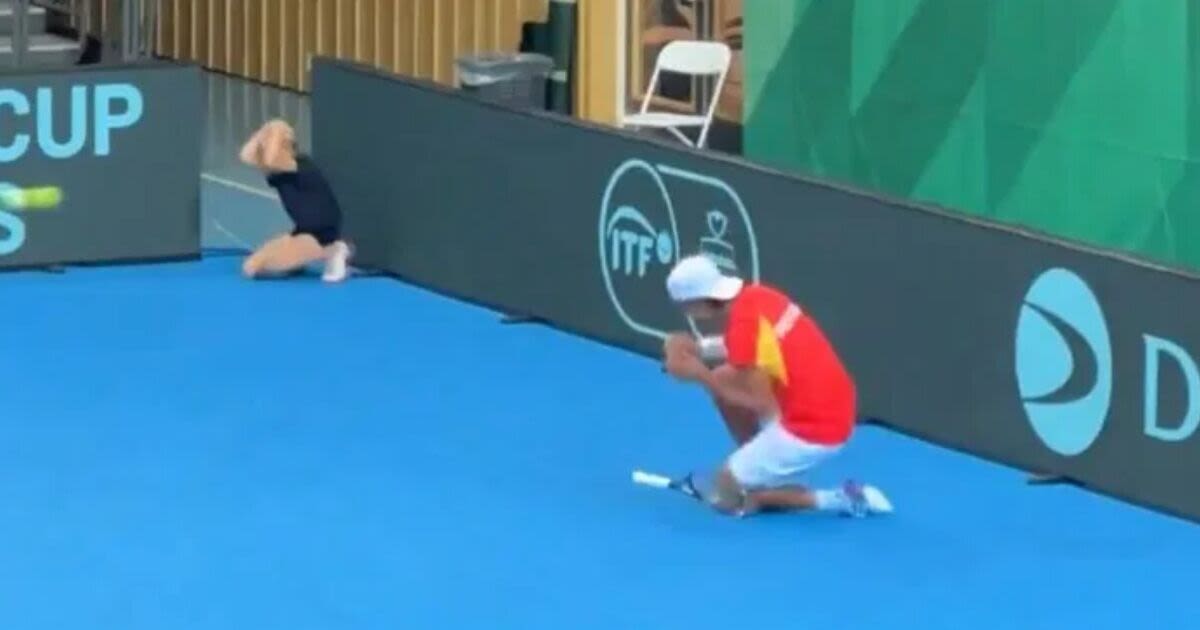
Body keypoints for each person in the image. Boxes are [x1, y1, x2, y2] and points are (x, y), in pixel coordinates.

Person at [661, 254, 892, 518]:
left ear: (698, 303)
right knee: (726, 376)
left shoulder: (742, 328)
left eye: (684, 307)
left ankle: (832, 498)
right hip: (834, 404)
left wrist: (699, 374)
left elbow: (759, 401)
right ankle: (760, 468)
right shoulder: (759, 297)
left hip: (816, 428)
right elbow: (748, 347)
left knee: (727, 493)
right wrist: (699, 349)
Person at [237, 119, 352, 283]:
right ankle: (298, 258)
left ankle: (334, 250)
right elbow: (246, 156)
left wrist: (277, 128)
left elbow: (271, 159)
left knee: (261, 265)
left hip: (321, 235)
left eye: (268, 142)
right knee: (250, 267)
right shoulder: (278, 174)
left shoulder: (301, 164)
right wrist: (264, 131)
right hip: (302, 231)